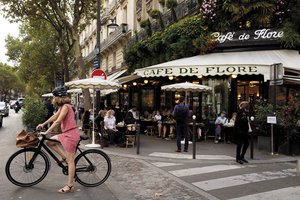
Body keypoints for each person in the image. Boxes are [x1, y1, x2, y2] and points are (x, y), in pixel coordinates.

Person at [36, 86, 80, 193]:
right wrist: (44, 123)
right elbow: (54, 117)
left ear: (58, 97)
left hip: (71, 135)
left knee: (71, 161)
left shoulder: (66, 107)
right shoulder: (62, 107)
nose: (53, 99)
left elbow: (58, 121)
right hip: (66, 133)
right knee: (49, 142)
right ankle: (64, 158)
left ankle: (69, 186)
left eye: (54, 96)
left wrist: (47, 131)